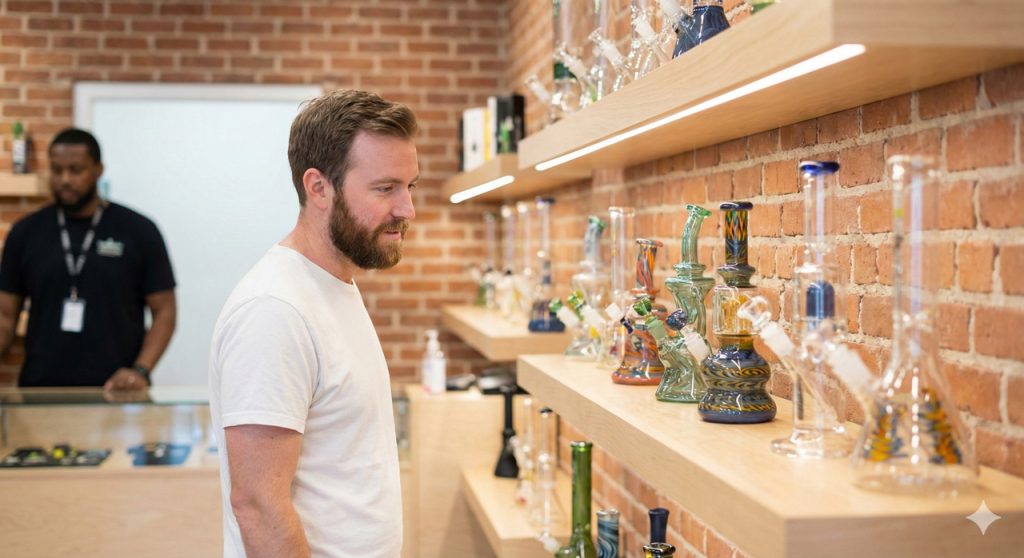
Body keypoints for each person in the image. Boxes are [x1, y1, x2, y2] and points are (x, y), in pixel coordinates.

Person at [208, 90, 418, 558]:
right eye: (386, 188)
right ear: (318, 187)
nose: (407, 210)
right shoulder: (274, 310)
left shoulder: (333, 285)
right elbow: (258, 505)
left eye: (410, 186)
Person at [0, 128, 177, 390]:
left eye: (76, 169)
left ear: (98, 169)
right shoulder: (26, 232)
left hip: (115, 393)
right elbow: (4, 315)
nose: (65, 179)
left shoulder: (138, 230)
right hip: (39, 391)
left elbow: (165, 311)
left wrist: (141, 369)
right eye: (57, 170)